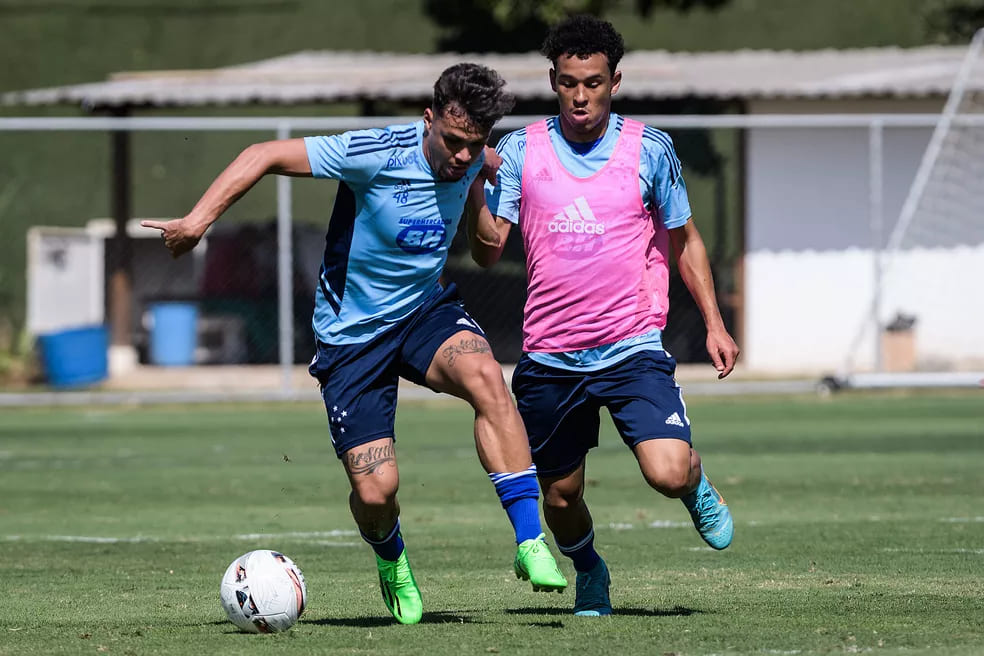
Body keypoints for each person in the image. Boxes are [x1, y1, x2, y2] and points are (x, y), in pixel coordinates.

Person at [143, 63, 566, 626]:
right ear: (429, 119)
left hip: (424, 312)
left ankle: (530, 541)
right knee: (376, 493)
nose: (463, 155)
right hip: (352, 337)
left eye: (475, 145)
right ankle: (392, 558)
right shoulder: (372, 151)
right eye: (454, 142)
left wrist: (485, 198)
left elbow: (487, 243)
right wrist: (198, 221)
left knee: (487, 377)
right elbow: (262, 154)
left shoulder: (478, 162)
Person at [466, 16, 739, 617]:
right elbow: (487, 252)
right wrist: (473, 187)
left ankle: (696, 485)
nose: (581, 95)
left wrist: (715, 324)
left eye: (593, 82)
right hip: (550, 356)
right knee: (560, 500)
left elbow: (686, 240)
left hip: (632, 345)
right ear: (553, 82)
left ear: (615, 81)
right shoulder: (519, 151)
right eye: (568, 83)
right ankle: (591, 571)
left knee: (666, 472)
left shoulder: (650, 149)